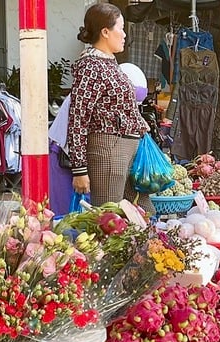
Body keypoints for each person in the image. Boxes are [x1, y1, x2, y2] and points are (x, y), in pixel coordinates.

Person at [67, 3, 153, 214]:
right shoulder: (91, 66)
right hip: (108, 150)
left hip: (127, 151)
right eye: (120, 28)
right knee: (110, 219)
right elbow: (78, 117)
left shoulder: (109, 63)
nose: (124, 34)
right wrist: (80, 169)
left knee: (141, 214)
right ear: (105, 32)